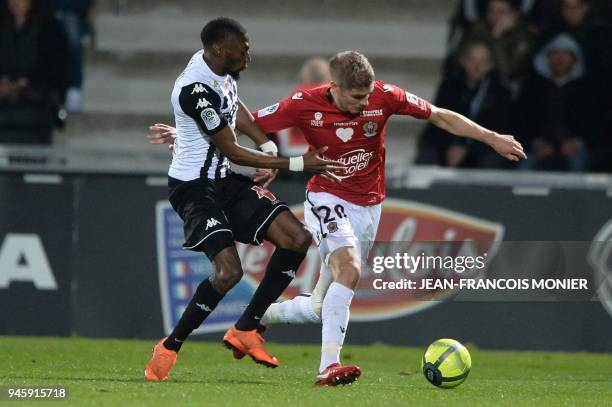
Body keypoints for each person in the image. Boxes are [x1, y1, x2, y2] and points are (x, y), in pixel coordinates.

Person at [149, 51, 526, 386]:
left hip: (369, 205)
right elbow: (242, 125)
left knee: (317, 307)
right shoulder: (303, 104)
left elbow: (440, 116)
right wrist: (186, 138)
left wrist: (491, 137)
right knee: (349, 267)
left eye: (367, 96)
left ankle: (247, 325)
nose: (364, 104)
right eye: (355, 97)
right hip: (327, 197)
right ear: (335, 88)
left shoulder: (385, 96)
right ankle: (328, 367)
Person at [143, 17, 342, 382]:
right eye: (243, 47)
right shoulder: (194, 90)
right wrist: (297, 162)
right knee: (230, 272)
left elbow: (236, 107)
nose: (248, 53)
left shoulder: (220, 68)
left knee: (297, 239)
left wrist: (266, 143)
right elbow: (232, 149)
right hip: (194, 189)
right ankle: (170, 346)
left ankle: (246, 326)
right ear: (220, 48)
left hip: (223, 181)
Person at [418, 41, 513, 168]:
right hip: (448, 145)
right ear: (463, 61)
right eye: (472, 60)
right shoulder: (450, 87)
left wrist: (467, 149)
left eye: (483, 61)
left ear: (490, 65)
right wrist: (451, 146)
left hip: (481, 148)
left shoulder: (499, 92)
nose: (477, 66)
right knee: (427, 155)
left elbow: (499, 129)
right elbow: (437, 123)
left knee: (492, 160)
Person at [516, 33, 597, 171]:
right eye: (554, 53)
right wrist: (537, 143)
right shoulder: (533, 88)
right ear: (547, 58)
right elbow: (522, 120)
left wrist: (577, 143)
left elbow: (595, 122)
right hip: (539, 148)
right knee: (523, 169)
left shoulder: (588, 89)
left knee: (578, 167)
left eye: (566, 54)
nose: (560, 58)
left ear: (575, 59)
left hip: (575, 148)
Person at [0, 0, 69, 144]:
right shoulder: (3, 26)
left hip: (37, 96)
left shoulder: (49, 27)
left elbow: (55, 67)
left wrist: (25, 82)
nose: (16, 3)